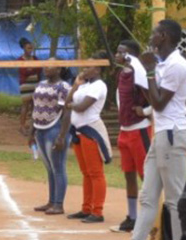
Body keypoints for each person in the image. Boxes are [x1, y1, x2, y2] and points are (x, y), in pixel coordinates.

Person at [132, 19, 186, 240]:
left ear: (163, 36)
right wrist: (141, 71)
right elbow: (152, 99)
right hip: (163, 134)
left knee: (174, 200)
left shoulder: (176, 65)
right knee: (147, 197)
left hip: (173, 134)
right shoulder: (164, 64)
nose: (150, 37)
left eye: (154, 33)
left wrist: (150, 71)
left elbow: (160, 103)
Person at [61, 52, 111, 224]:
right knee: (86, 173)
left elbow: (81, 107)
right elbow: (67, 101)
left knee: (95, 173)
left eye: (89, 66)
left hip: (90, 131)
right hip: (78, 132)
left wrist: (71, 105)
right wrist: (75, 85)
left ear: (98, 69)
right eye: (84, 65)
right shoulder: (84, 85)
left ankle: (97, 211)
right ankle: (86, 208)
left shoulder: (99, 86)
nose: (84, 69)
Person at [113, 40, 151, 233]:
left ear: (131, 56)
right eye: (117, 51)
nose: (117, 55)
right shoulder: (122, 74)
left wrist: (144, 111)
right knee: (128, 174)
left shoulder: (140, 73)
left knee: (146, 175)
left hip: (140, 129)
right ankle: (132, 216)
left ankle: (150, 216)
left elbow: (154, 97)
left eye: (122, 52)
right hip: (125, 130)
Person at [28, 65, 70, 216]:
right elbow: (36, 108)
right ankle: (51, 201)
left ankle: (59, 204)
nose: (46, 67)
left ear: (59, 69)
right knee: (49, 168)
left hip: (55, 129)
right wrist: (31, 133)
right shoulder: (40, 84)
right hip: (40, 129)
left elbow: (66, 112)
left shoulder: (64, 87)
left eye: (51, 65)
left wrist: (62, 136)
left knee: (58, 167)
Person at [18, 37, 40, 136]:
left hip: (35, 84)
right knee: (25, 105)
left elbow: (39, 69)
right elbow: (23, 72)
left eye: (31, 48)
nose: (30, 50)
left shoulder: (35, 59)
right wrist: (31, 70)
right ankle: (22, 126)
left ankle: (33, 126)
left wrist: (30, 70)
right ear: (24, 48)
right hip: (25, 85)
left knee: (34, 106)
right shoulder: (19, 60)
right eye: (28, 48)